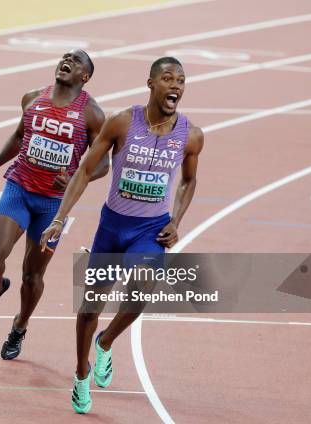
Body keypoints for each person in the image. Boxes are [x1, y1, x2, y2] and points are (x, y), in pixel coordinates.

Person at [40, 57, 205, 413]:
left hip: (150, 230)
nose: (174, 85)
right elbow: (85, 171)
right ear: (150, 83)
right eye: (167, 78)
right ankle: (82, 372)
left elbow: (189, 181)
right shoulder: (122, 122)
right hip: (112, 228)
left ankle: (106, 341)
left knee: (144, 284)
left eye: (180, 80)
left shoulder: (190, 135)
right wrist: (59, 219)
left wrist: (176, 221)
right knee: (89, 308)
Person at [0, 49, 108, 360]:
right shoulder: (32, 98)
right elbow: (20, 137)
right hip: (18, 188)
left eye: (76, 60)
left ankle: (20, 325)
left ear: (84, 77)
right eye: (65, 56)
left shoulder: (92, 114)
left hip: (53, 206)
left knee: (32, 276)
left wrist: (74, 178)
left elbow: (102, 166)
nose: (67, 61)